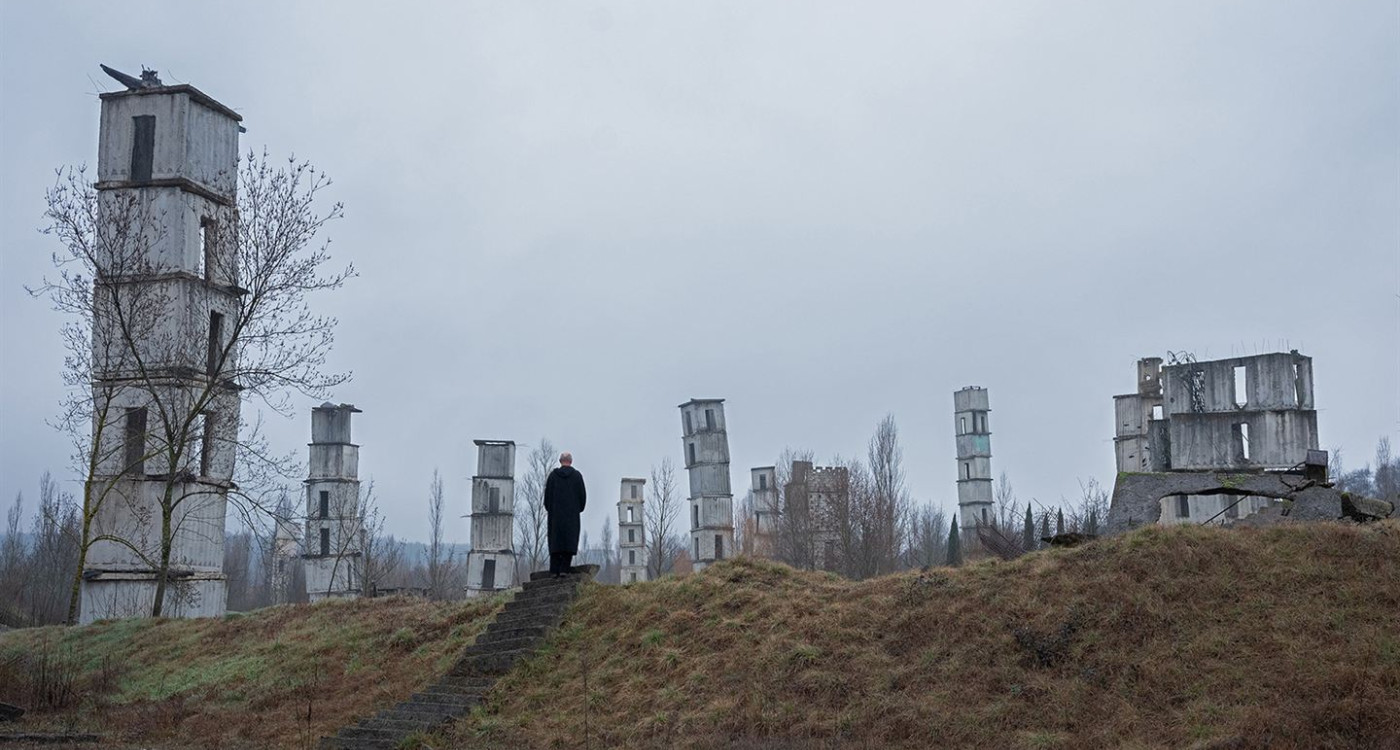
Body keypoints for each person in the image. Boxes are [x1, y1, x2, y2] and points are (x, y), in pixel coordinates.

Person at [543, 451, 587, 578]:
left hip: (555, 517)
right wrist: (576, 509)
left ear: (560, 461)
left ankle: (554, 571)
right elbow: (582, 498)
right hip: (571, 517)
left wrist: (552, 510)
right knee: (569, 543)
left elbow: (547, 499)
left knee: (555, 543)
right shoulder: (577, 476)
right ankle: (564, 569)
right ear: (571, 462)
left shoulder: (553, 477)